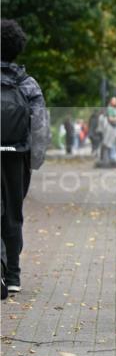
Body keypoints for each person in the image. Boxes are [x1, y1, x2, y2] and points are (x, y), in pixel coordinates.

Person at [1, 19, 50, 297]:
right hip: (16, 156)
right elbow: (40, 126)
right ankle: (14, 275)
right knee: (13, 215)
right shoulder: (27, 83)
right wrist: (35, 160)